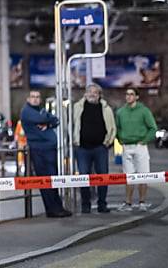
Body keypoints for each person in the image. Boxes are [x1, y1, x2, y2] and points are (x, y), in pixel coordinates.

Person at [19, 90, 71, 218]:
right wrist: (47, 120)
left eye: (37, 97)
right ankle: (53, 209)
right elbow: (43, 118)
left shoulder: (40, 110)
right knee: (45, 181)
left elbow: (56, 120)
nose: (35, 99)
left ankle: (57, 207)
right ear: (28, 99)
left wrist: (46, 123)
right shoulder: (27, 111)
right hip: (39, 150)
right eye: (33, 97)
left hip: (48, 149)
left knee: (53, 179)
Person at [72, 84, 117, 213]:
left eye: (95, 92)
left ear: (99, 95)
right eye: (90, 92)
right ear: (85, 94)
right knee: (83, 177)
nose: (92, 94)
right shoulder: (77, 107)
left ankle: (102, 204)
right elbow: (71, 124)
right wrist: (74, 140)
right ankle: (85, 205)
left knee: (103, 176)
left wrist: (108, 142)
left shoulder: (106, 109)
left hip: (100, 148)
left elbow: (112, 127)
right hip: (82, 149)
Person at [115, 88, 157, 211]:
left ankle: (142, 201)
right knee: (128, 176)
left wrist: (144, 141)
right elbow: (117, 128)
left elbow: (153, 128)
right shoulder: (120, 112)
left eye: (131, 94)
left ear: (137, 97)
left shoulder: (144, 111)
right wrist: (120, 139)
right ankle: (128, 202)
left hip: (140, 146)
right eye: (127, 94)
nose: (128, 97)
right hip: (126, 146)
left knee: (143, 175)